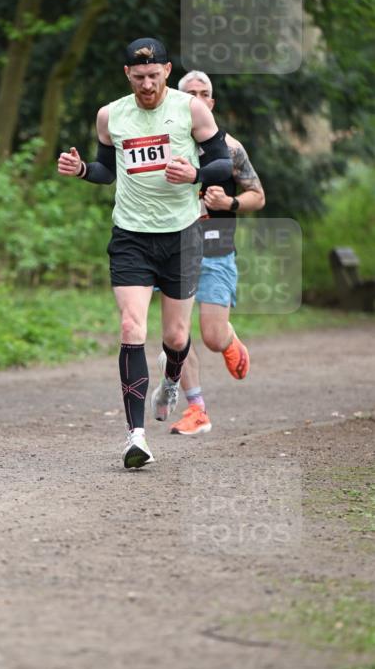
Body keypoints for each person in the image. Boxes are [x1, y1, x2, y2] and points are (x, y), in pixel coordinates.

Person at [57, 38, 232, 469]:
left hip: (182, 234)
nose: (147, 85)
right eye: (139, 78)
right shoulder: (111, 115)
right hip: (131, 235)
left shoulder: (190, 109)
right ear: (127, 76)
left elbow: (224, 165)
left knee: (175, 337)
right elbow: (105, 170)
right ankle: (136, 437)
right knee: (131, 325)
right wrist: (81, 170)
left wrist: (195, 172)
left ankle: (172, 378)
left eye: (154, 76)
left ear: (167, 71)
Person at [167, 70, 265, 437]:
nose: (197, 99)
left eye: (203, 93)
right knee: (176, 334)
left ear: (211, 102)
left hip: (216, 247)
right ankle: (197, 409)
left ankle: (227, 338)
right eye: (189, 93)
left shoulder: (232, 148)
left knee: (210, 335)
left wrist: (230, 201)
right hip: (173, 247)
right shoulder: (167, 145)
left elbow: (258, 195)